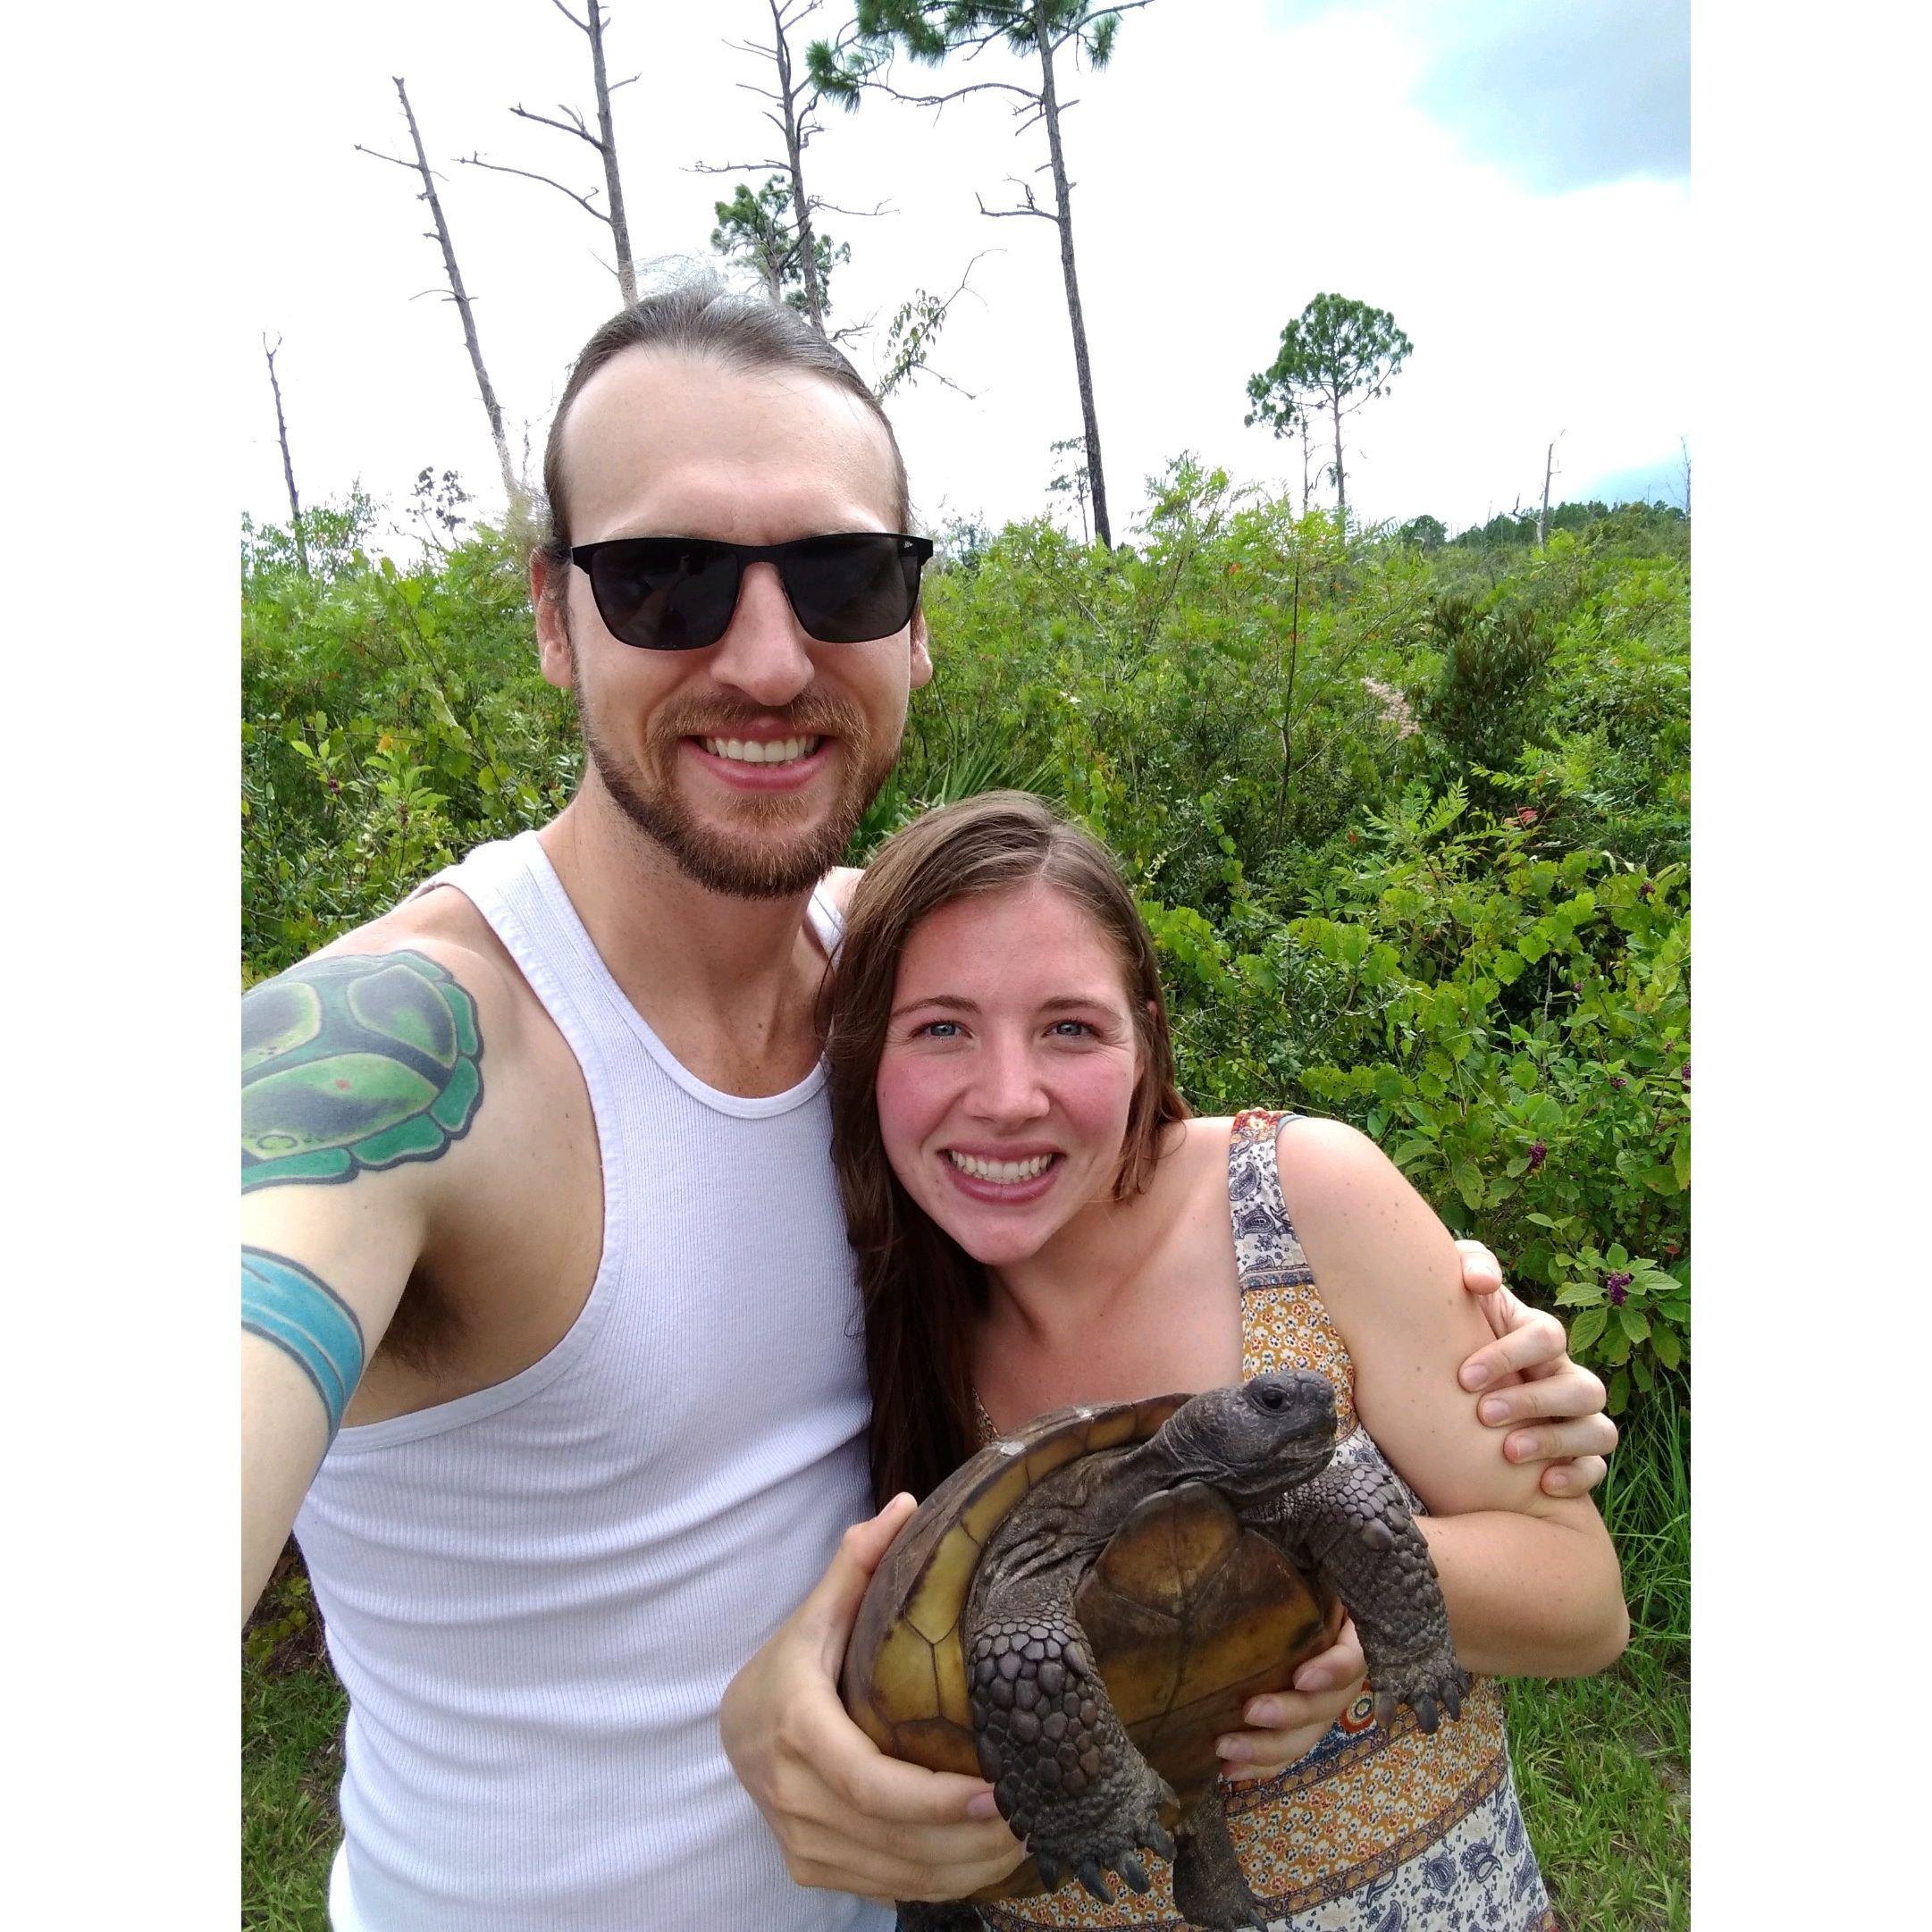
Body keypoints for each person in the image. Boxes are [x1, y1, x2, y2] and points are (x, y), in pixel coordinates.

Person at [242, 282, 1617, 1931]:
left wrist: (1455, 1325)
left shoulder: (886, 990)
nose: (764, 654)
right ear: (552, 613)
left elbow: (1127, 1136)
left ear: (912, 619)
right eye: (662, 576)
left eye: (838, 574)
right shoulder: (395, 1061)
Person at [777, 789, 1629, 1930]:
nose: (1006, 1097)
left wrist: (1331, 1591)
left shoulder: (1297, 1196)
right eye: (939, 1026)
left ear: (1143, 1037)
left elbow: (1583, 1604)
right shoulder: (868, 1307)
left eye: (1069, 1026)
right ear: (866, 1050)